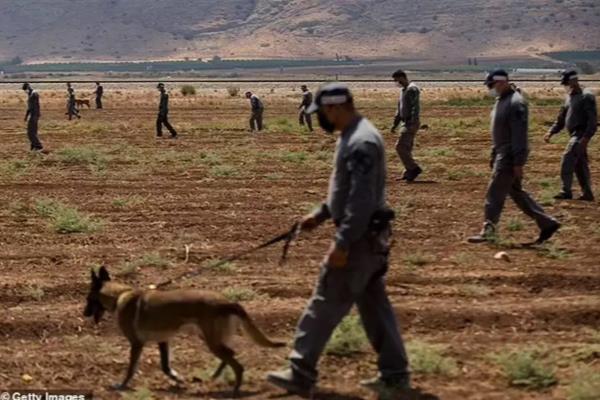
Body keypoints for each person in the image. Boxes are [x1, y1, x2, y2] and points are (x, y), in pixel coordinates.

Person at [267, 83, 411, 398]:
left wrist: (342, 243)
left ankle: (300, 370)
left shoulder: (361, 142)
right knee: (374, 305)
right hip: (370, 237)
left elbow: (360, 201)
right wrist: (320, 214)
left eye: (322, 114)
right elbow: (347, 193)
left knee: (325, 299)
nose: (321, 120)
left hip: (359, 239)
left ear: (335, 108)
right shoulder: (354, 135)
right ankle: (395, 374)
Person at [468, 70, 560, 244]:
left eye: (491, 85)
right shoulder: (502, 100)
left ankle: (488, 230)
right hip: (502, 153)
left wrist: (518, 162)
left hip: (509, 156)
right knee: (516, 192)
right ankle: (547, 223)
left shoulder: (516, 103)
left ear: (501, 82)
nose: (489, 89)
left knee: (494, 193)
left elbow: (519, 136)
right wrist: (494, 154)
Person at [544, 69, 597, 201]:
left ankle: (566, 191)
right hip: (573, 134)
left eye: (567, 82)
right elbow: (561, 119)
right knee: (580, 165)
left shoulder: (587, 96)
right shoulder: (569, 97)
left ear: (575, 80)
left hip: (580, 134)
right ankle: (587, 193)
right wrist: (551, 131)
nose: (566, 85)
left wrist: (586, 138)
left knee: (567, 159)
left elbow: (593, 121)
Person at [391, 69, 422, 182]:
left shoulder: (412, 89)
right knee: (406, 148)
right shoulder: (403, 90)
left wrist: (412, 122)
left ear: (403, 77)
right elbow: (400, 109)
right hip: (405, 122)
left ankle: (414, 169)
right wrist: (395, 124)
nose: (396, 82)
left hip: (410, 122)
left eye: (397, 80)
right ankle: (408, 172)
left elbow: (415, 107)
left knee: (400, 147)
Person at [22, 83, 45, 152]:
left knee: (31, 132)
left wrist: (33, 116)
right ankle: (34, 146)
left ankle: (38, 146)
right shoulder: (31, 94)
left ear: (28, 88)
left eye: (25, 90)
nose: (25, 92)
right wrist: (26, 116)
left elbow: (33, 107)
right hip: (33, 115)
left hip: (34, 115)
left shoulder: (34, 94)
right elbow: (29, 107)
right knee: (32, 131)